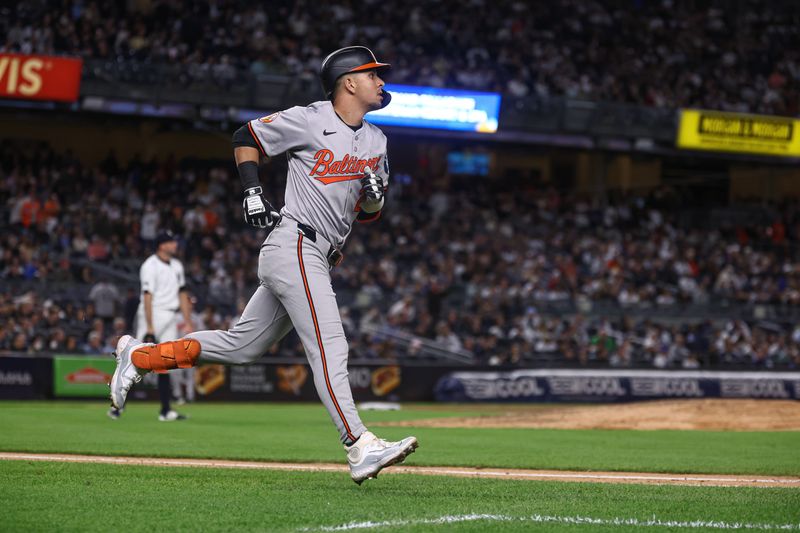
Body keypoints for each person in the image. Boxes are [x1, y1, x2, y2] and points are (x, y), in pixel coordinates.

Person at [110, 46, 417, 483]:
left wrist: (373, 195)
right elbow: (245, 137)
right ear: (350, 81)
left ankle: (139, 357)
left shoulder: (378, 140)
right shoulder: (311, 118)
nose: (381, 82)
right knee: (330, 344)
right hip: (295, 243)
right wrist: (252, 190)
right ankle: (358, 444)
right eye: (374, 75)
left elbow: (368, 212)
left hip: (319, 254)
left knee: (241, 347)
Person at [108, 230, 193, 422]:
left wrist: (187, 321)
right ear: (162, 245)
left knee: (167, 363)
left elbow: (182, 294)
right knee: (138, 361)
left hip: (171, 315)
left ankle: (165, 410)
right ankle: (117, 407)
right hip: (153, 312)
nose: (175, 245)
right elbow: (147, 296)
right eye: (171, 242)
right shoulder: (150, 265)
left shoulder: (177, 266)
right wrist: (150, 327)